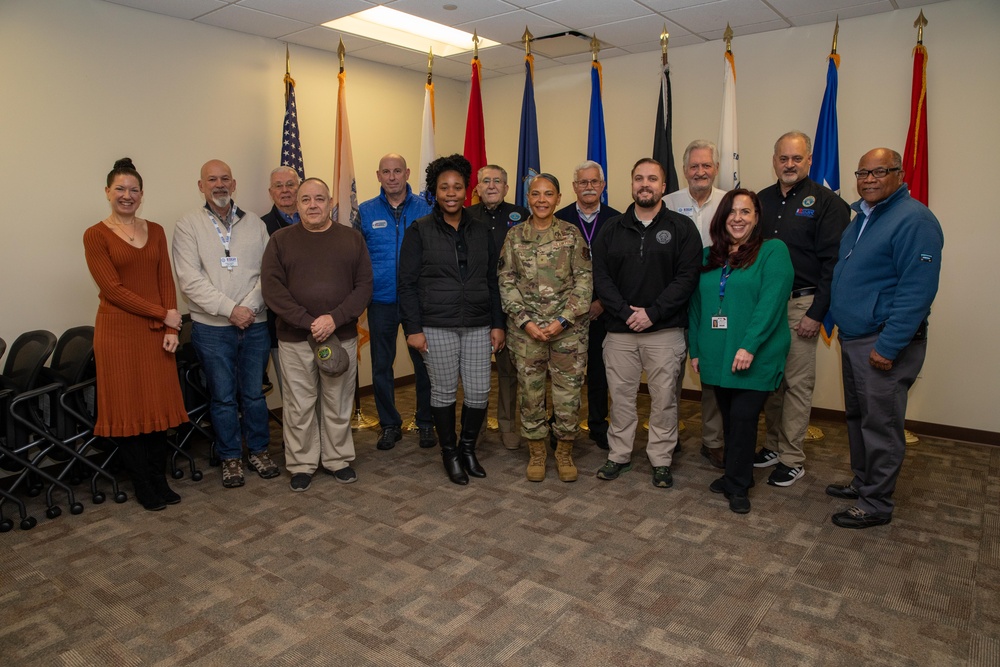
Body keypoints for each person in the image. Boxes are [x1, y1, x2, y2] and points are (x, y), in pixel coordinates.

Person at [827, 148, 943, 529]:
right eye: (863, 172)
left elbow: (916, 291)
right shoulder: (861, 216)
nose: (869, 179)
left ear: (899, 174)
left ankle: (875, 503)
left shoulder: (915, 220)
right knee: (859, 417)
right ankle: (863, 484)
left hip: (882, 342)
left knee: (881, 424)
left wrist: (888, 346)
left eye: (880, 172)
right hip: (855, 336)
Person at [83, 158, 188, 511]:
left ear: (142, 195)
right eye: (120, 189)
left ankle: (159, 480)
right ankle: (143, 485)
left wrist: (172, 325)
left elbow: (164, 280)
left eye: (133, 190)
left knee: (158, 408)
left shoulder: (155, 229)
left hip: (156, 333)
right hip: (118, 334)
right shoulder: (95, 235)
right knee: (129, 412)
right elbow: (113, 289)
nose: (127, 196)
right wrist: (164, 314)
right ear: (107, 192)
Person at [591, 158, 701, 488]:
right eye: (639, 178)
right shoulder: (612, 228)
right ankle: (619, 454)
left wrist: (652, 312)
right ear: (631, 184)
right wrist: (626, 313)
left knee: (664, 399)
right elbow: (601, 277)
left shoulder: (683, 229)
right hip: (620, 332)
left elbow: (687, 278)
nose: (645, 184)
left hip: (664, 331)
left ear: (664, 186)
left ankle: (661, 459)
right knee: (621, 398)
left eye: (652, 178)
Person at [398, 154, 505, 486]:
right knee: (443, 393)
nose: (451, 192)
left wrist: (498, 322)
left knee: (478, 392)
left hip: (477, 324)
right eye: (444, 187)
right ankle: (449, 452)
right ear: (435, 191)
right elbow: (407, 284)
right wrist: (413, 329)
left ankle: (468, 448)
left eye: (457, 186)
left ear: (466, 190)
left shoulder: (480, 230)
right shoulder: (420, 230)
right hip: (435, 325)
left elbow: (492, 279)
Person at [261, 178, 373, 492]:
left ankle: (337, 460)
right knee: (299, 404)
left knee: (338, 401)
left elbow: (364, 287)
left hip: (341, 336)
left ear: (330, 203)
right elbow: (272, 290)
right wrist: (310, 322)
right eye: (306, 199)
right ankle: (301, 464)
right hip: (295, 339)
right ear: (296, 205)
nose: (313, 205)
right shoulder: (280, 241)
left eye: (319, 199)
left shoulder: (351, 239)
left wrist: (333, 319)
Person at [173, 159, 279, 489]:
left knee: (253, 395)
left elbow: (269, 273)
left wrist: (247, 308)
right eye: (211, 179)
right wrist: (231, 309)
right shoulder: (188, 225)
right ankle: (231, 456)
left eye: (225, 179)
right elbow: (190, 280)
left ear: (234, 185)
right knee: (222, 397)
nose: (219, 185)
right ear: (201, 186)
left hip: (255, 324)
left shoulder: (255, 225)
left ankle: (259, 451)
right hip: (211, 329)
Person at [689, 189, 793, 514]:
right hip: (716, 355)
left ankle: (738, 486)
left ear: (756, 218)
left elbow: (772, 302)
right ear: (722, 217)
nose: (738, 218)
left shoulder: (772, 251)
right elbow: (695, 307)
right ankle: (739, 476)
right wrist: (695, 348)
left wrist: (749, 344)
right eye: (732, 212)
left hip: (755, 354)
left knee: (745, 419)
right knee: (730, 420)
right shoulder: (708, 257)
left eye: (746, 212)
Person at [755, 132, 850, 487]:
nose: (789, 165)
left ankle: (792, 457)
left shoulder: (826, 203)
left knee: (796, 382)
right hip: (767, 305)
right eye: (783, 158)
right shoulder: (760, 200)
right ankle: (773, 445)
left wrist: (817, 313)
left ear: (809, 160)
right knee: (771, 380)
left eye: (797, 158)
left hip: (803, 304)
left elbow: (834, 265)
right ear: (774, 160)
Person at [498, 174, 591, 482]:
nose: (541, 200)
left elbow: (584, 282)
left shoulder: (571, 234)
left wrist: (562, 320)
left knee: (568, 397)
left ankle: (564, 452)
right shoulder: (514, 237)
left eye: (548, 194)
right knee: (530, 395)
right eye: (535, 194)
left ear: (558, 198)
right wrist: (524, 320)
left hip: (567, 332)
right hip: (527, 334)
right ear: (528, 198)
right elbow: (506, 281)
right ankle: (537, 452)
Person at [356, 154, 435, 451]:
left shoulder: (426, 209)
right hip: (381, 301)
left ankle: (426, 422)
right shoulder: (364, 212)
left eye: (397, 171)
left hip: (418, 301)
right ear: (378, 176)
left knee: (425, 365)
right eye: (386, 172)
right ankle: (389, 425)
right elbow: (357, 258)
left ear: (407, 173)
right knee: (381, 367)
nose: (392, 177)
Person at [663, 140, 728, 469]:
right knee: (669, 373)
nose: (700, 171)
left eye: (706, 165)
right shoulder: (668, 203)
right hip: (675, 302)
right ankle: (667, 437)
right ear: (684, 170)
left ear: (715, 169)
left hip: (715, 301)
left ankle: (714, 440)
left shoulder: (730, 203)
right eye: (693, 166)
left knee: (712, 373)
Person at [555, 160, 621, 450]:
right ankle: (559, 426)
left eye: (595, 182)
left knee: (598, 371)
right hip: (567, 312)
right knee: (563, 373)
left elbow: (624, 269)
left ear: (603, 186)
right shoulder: (559, 218)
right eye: (583, 182)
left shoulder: (619, 220)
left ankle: (597, 424)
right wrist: (575, 306)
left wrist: (602, 303)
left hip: (604, 311)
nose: (589, 187)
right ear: (574, 187)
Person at [468, 164, 529, 450]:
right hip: (476, 304)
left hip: (512, 305)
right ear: (477, 188)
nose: (491, 185)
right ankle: (475, 426)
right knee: (475, 371)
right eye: (485, 181)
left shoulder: (521, 216)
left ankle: (507, 425)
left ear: (506, 187)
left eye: (498, 181)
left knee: (508, 371)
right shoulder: (465, 216)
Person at [261, 166, 301, 394]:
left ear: (299, 187)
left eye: (290, 184)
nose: (285, 190)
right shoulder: (259, 227)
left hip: (319, 321)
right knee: (293, 393)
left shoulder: (316, 221)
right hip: (281, 324)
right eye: (278, 185)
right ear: (270, 192)